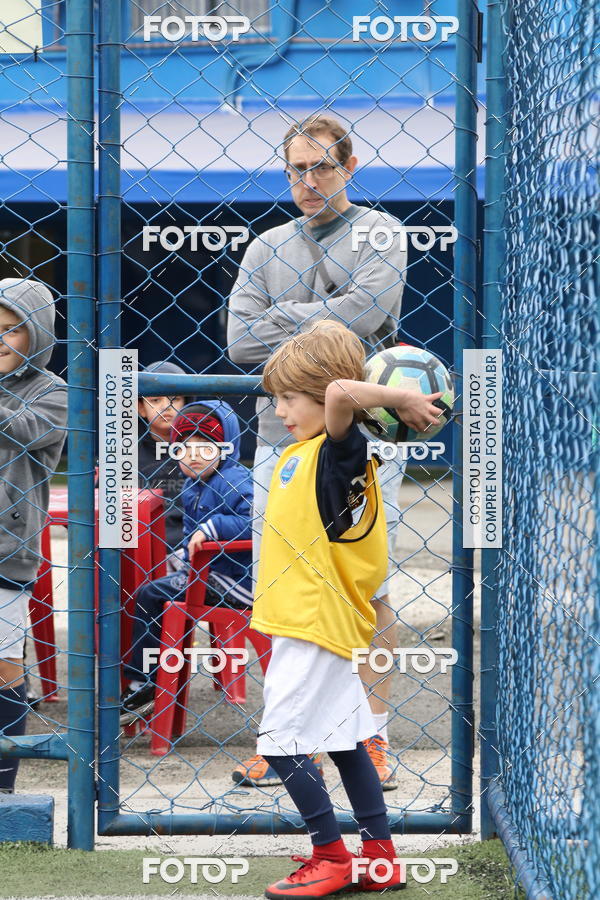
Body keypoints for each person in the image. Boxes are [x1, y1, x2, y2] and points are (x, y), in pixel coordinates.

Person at [227, 113, 407, 787]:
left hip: (356, 441)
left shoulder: (380, 232)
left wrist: (287, 318)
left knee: (370, 586)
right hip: (278, 441)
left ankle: (373, 736)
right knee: (279, 590)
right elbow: (238, 344)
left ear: (350, 166)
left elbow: (364, 320)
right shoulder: (266, 244)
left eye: (322, 167)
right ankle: (287, 738)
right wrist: (321, 313)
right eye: (296, 169)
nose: (308, 181)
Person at [249, 321, 442, 898]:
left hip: (313, 623)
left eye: (289, 398)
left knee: (280, 742)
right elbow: (334, 396)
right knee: (345, 741)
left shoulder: (344, 453)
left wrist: (402, 397)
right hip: (319, 621)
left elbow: (340, 395)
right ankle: (380, 858)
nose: (280, 410)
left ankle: (329, 855)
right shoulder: (309, 453)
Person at [120, 400, 253, 723]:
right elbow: (192, 535)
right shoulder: (195, 484)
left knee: (151, 594)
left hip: (241, 580)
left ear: (227, 446)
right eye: (183, 446)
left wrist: (215, 526)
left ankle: (145, 682)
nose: (192, 454)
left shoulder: (234, 479)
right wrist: (183, 554)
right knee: (152, 590)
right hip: (214, 573)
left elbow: (257, 521)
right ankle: (148, 677)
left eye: (205, 446)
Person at [0, 279, 67, 793]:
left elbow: (24, 429)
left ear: (37, 335)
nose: (0, 340)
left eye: (12, 330)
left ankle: (2, 784)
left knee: (4, 664)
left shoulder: (53, 392)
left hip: (7, 552)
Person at [137, 360, 189, 572]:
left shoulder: (202, 453)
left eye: (174, 399)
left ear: (187, 404)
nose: (165, 406)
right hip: (140, 546)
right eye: (155, 400)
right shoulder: (125, 454)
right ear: (140, 408)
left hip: (187, 545)